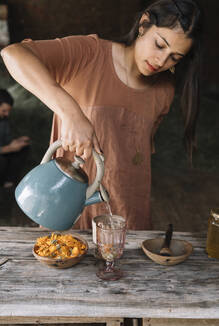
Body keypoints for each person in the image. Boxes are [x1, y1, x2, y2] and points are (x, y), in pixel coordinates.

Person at [0, 0, 203, 229]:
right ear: (144, 24)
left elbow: (134, 155)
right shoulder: (89, 53)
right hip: (65, 204)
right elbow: (13, 54)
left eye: (175, 57)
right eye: (159, 45)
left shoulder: (164, 91)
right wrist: (71, 113)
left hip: (127, 209)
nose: (162, 61)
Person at [0, 89, 30, 188]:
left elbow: (6, 138)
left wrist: (16, 141)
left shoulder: (4, 120)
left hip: (4, 149)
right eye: (4, 111)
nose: (7, 114)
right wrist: (10, 148)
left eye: (8, 111)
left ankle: (9, 180)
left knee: (24, 148)